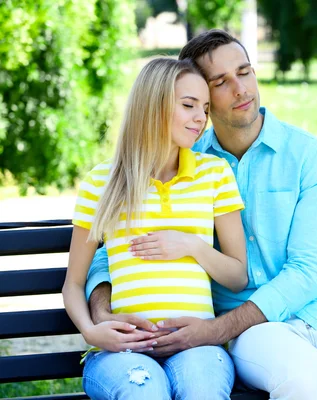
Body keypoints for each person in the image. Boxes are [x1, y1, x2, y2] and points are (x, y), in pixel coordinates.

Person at [85, 30, 317, 399]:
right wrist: (102, 311)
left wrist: (214, 330)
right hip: (252, 333)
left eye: (245, 72)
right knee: (300, 377)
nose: (241, 89)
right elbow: (113, 249)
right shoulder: (186, 162)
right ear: (198, 94)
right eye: (221, 82)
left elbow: (308, 268)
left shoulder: (309, 155)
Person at [64, 57, 247, 399]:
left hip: (197, 348)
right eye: (188, 105)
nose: (200, 118)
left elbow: (238, 275)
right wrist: (92, 332)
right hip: (121, 352)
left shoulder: (215, 174)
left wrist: (191, 245)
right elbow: (73, 284)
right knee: (145, 393)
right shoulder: (101, 182)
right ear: (153, 106)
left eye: (205, 108)